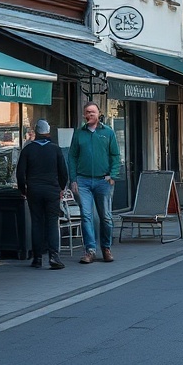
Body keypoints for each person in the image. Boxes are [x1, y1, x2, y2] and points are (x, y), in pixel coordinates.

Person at [68, 102, 121, 264]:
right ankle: (90, 250)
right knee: (86, 216)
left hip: (103, 180)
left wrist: (112, 176)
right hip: (83, 181)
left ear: (99, 114)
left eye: (92, 112)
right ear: (84, 115)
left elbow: (115, 156)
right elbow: (72, 157)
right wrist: (73, 179)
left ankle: (106, 248)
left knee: (105, 216)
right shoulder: (79, 134)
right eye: (87, 112)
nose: (90, 114)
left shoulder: (108, 132)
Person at [16, 119, 69, 269]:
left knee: (37, 222)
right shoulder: (55, 149)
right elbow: (63, 172)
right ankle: (54, 257)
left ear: (36, 132)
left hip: (34, 190)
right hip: (52, 190)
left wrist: (23, 190)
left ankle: (37, 258)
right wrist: (61, 188)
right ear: (48, 131)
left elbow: (20, 173)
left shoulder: (28, 149)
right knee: (52, 223)